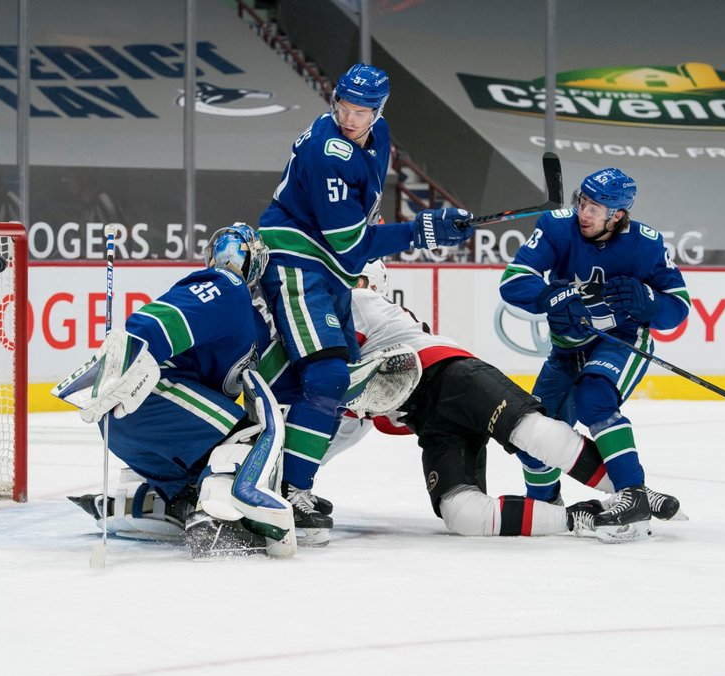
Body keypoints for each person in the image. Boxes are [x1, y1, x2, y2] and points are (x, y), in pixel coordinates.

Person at [257, 63, 476, 544]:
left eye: (361, 111)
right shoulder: (327, 150)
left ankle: (272, 477)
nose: (349, 118)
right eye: (343, 106)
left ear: (379, 112)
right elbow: (349, 245)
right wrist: (423, 229)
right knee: (329, 375)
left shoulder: (378, 136)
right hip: (297, 261)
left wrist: (428, 226)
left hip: (326, 270)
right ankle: (291, 489)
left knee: (339, 383)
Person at [323, 261, 632, 539]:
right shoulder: (349, 313)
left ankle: (633, 492)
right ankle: (577, 518)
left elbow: (339, 382)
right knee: (462, 514)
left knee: (534, 433)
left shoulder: (356, 302)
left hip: (451, 377)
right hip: (431, 422)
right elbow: (343, 430)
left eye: (358, 280)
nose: (352, 285)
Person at [54, 223, 297, 558]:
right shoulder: (228, 285)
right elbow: (167, 318)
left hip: (136, 424)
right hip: (148, 397)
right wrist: (129, 349)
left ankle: (179, 504)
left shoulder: (252, 324)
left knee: (204, 466)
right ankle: (213, 521)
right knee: (245, 438)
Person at [499, 167, 691, 542]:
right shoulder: (556, 227)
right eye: (582, 202)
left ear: (617, 215)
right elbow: (513, 281)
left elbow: (678, 307)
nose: (583, 213)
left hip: (621, 342)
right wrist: (549, 297)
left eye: (595, 208)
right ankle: (546, 505)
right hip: (566, 351)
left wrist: (649, 302)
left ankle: (632, 496)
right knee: (534, 434)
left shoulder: (647, 244)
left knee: (594, 397)